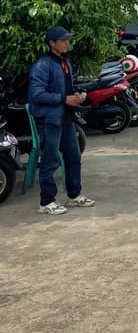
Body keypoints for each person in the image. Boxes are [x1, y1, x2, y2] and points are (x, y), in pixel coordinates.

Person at [28, 26, 96, 215]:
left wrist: (74, 94)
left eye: (67, 40)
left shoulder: (65, 62)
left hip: (65, 118)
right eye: (63, 40)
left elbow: (67, 87)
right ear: (52, 43)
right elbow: (36, 94)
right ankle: (46, 202)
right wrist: (64, 99)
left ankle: (74, 195)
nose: (67, 43)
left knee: (74, 157)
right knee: (50, 161)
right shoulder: (43, 65)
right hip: (50, 121)